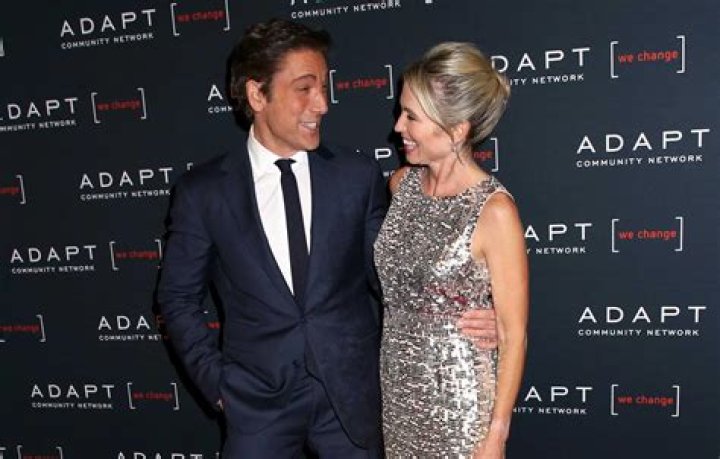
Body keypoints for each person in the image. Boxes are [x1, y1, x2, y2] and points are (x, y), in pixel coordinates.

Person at [157, 19, 498, 458]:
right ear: (257, 95)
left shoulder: (355, 176)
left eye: (323, 86)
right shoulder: (204, 192)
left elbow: (392, 277)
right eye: (304, 88)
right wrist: (218, 386)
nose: (322, 103)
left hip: (351, 397)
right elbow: (177, 298)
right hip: (256, 404)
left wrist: (465, 317)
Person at [375, 42, 529, 458]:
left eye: (411, 116)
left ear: (457, 130)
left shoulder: (494, 211)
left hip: (460, 403)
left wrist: (495, 436)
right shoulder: (401, 186)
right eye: (401, 112)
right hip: (399, 394)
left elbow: (513, 334)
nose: (398, 127)